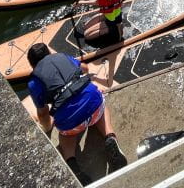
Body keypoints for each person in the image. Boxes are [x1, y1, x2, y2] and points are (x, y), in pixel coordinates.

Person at [27, 43, 127, 181]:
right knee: (100, 107)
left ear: (32, 65)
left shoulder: (33, 82)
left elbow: (43, 113)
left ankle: (72, 163)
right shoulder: (62, 57)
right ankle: (110, 137)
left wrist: (48, 128)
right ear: (49, 53)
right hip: (93, 106)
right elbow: (85, 68)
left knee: (65, 136)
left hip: (70, 125)